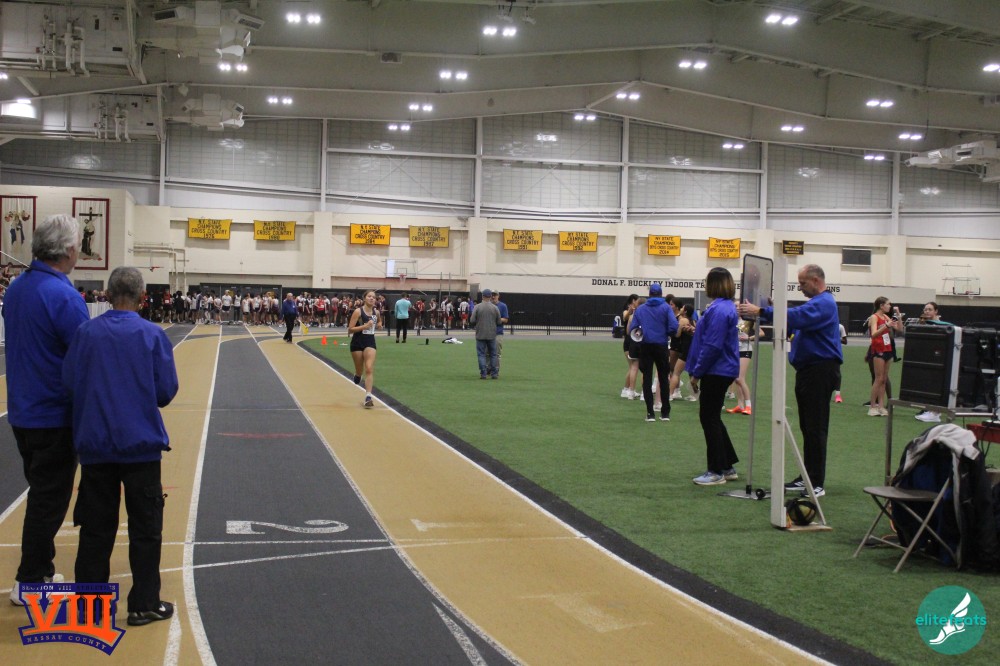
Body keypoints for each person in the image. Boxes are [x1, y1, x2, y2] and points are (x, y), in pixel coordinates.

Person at [62, 267, 179, 627]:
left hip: (96, 446)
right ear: (143, 298)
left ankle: (89, 607)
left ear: (108, 295)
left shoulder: (86, 333)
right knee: (146, 529)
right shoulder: (152, 335)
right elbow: (165, 392)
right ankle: (144, 604)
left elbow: (69, 382)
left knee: (96, 529)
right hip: (140, 447)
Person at [4, 214, 90, 605]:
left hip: (23, 410)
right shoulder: (64, 296)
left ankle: (40, 569)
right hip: (53, 413)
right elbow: (84, 354)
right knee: (48, 501)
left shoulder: (17, 289)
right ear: (69, 250)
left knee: (41, 493)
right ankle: (30, 580)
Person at [738, 264, 842, 498]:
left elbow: (797, 316)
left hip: (819, 371)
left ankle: (816, 482)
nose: (801, 288)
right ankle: (808, 477)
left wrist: (761, 311)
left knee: (815, 428)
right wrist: (774, 309)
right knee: (808, 427)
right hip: (810, 371)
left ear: (816, 281)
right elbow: (795, 318)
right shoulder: (818, 303)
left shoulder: (824, 303)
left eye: (803, 283)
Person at [687, 268, 741, 485]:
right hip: (722, 368)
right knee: (713, 417)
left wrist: (696, 373)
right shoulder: (724, 307)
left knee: (708, 417)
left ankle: (716, 471)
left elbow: (712, 346)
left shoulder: (718, 310)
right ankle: (726, 465)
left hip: (717, 370)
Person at [628, 283, 678, 422]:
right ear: (661, 294)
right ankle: (665, 413)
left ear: (649, 294)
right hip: (661, 345)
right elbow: (673, 326)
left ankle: (650, 413)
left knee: (647, 378)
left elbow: (634, 329)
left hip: (646, 346)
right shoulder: (666, 308)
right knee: (663, 378)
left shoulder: (641, 309)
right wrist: (666, 333)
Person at [914, 302, 951, 423]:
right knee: (927, 385)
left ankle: (935, 413)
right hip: (927, 359)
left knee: (936, 385)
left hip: (939, 360)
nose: (927, 311)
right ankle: (929, 410)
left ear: (936, 311)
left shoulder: (944, 326)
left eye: (929, 309)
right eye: (925, 309)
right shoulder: (924, 324)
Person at [867, 297, 902, 416]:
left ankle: (881, 406)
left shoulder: (886, 317)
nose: (889, 306)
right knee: (878, 379)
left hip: (888, 350)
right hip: (878, 350)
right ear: (881, 306)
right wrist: (886, 326)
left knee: (884, 379)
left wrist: (898, 315)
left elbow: (899, 329)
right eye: (888, 304)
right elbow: (874, 334)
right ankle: (872, 407)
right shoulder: (874, 317)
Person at [348, 290, 381, 407]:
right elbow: (350, 329)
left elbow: (379, 322)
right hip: (357, 342)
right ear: (364, 298)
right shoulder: (358, 311)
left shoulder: (376, 312)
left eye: (374, 297)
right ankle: (357, 374)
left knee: (369, 368)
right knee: (359, 370)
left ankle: (368, 397)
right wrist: (365, 326)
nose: (372, 298)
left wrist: (379, 325)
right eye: (369, 296)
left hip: (370, 342)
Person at [470, 289, 501, 379]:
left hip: (480, 334)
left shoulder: (477, 307)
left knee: (481, 354)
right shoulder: (495, 308)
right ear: (490, 296)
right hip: (492, 334)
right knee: (493, 354)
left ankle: (483, 373)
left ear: (482, 296)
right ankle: (494, 373)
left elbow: (472, 320)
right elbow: (499, 322)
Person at [727, 315, 754, 414]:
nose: (737, 309)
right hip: (735, 350)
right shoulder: (732, 320)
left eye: (739, 307)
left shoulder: (748, 320)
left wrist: (749, 338)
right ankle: (740, 405)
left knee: (740, 379)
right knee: (736, 379)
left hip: (745, 350)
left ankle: (748, 406)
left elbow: (761, 333)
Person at [620, 294, 640, 399]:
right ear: (633, 301)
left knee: (632, 367)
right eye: (637, 300)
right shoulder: (627, 311)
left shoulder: (637, 312)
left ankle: (629, 389)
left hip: (633, 340)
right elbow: (625, 317)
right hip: (629, 341)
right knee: (632, 367)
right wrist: (630, 311)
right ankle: (626, 389)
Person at [491, 290, 509, 376]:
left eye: (495, 295)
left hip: (498, 333)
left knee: (497, 353)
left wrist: (497, 319)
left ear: (498, 296)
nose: (493, 297)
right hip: (488, 333)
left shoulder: (502, 306)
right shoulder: (488, 305)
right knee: (487, 353)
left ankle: (496, 370)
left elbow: (505, 319)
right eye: (492, 295)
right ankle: (488, 369)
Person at [833, 322, 847, 403]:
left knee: (837, 373)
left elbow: (845, 341)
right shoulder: (824, 324)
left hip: (836, 353)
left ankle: (837, 395)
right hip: (824, 352)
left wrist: (836, 339)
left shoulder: (840, 327)